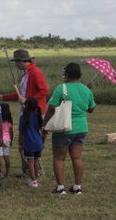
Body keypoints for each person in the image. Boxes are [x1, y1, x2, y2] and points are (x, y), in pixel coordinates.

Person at [42, 62, 96, 195]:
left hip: (64, 128)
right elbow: (91, 109)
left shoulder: (62, 88)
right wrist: (87, 91)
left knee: (59, 158)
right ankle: (77, 187)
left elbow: (51, 108)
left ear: (66, 75)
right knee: (77, 158)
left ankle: (60, 188)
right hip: (81, 128)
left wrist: (44, 125)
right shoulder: (86, 89)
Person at [0, 49, 49, 178]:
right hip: (25, 111)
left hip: (34, 111)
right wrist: (4, 97)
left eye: (17, 62)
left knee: (31, 139)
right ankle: (27, 170)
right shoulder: (25, 74)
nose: (16, 65)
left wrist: (29, 100)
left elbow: (44, 91)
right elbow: (21, 94)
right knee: (26, 140)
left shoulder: (35, 73)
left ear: (23, 61)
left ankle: (37, 170)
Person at [18, 97, 44, 187]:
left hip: (29, 142)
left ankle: (33, 181)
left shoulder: (23, 118)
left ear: (26, 106)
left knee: (30, 162)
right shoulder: (38, 116)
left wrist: (20, 144)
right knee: (36, 161)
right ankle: (35, 178)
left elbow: (21, 133)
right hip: (38, 142)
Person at [0, 103, 13, 177]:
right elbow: (11, 132)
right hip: (7, 139)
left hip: (0, 139)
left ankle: (0, 172)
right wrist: (11, 140)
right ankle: (7, 173)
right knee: (6, 157)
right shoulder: (9, 121)